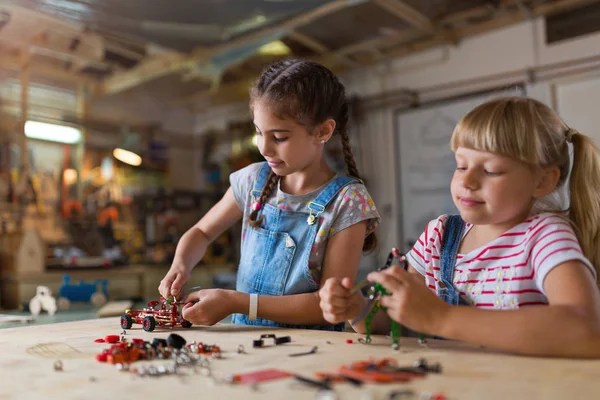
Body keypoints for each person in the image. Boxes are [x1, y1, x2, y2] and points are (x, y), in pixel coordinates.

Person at [320, 97, 600, 357]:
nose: (468, 182)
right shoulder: (439, 236)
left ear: (542, 181)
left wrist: (441, 318)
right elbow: (389, 320)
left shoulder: (544, 236)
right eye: (461, 166)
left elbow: (586, 329)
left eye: (490, 170)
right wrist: (357, 307)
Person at [159, 59, 381, 330]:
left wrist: (237, 302)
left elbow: (329, 306)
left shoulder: (348, 201)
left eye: (279, 137)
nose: (264, 148)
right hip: (245, 347)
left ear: (323, 131)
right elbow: (202, 233)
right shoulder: (253, 180)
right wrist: (180, 265)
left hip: (312, 354)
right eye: (258, 132)